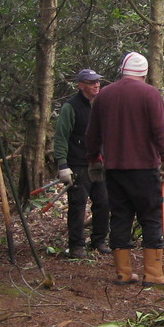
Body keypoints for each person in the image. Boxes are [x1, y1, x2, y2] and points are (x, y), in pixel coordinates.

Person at [85, 51, 164, 286]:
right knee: (151, 217)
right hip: (144, 168)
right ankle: (154, 273)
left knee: (120, 217)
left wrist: (94, 158)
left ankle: (123, 273)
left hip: (114, 169)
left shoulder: (104, 95)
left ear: (123, 71)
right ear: (143, 73)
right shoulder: (149, 94)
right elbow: (161, 130)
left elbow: (92, 132)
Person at [53, 68, 110, 259]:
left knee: (103, 202)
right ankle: (77, 245)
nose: (96, 85)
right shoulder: (71, 107)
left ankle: (99, 240)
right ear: (81, 85)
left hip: (99, 163)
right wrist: (62, 165)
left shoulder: (102, 104)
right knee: (78, 205)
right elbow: (61, 137)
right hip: (78, 164)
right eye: (91, 82)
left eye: (97, 82)